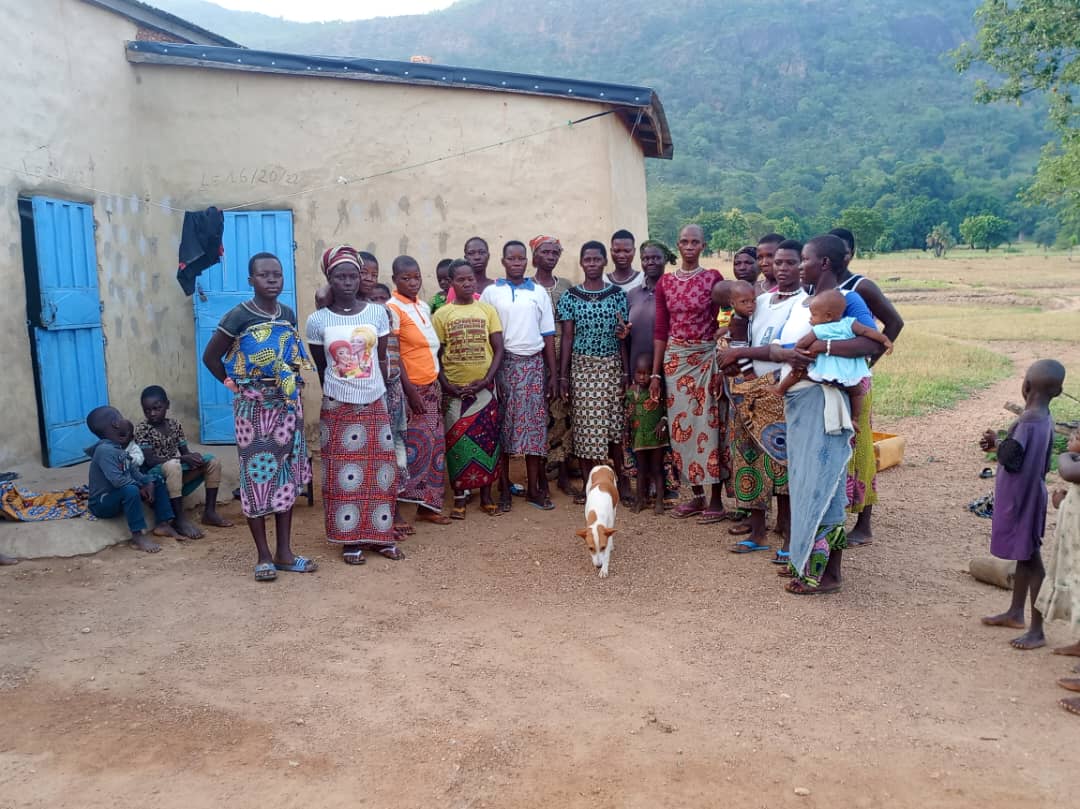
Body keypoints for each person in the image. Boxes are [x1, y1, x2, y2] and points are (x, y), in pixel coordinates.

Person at [772, 235, 884, 593]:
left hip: (824, 403)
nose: (798, 265)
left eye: (804, 259)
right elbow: (786, 347)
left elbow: (870, 342)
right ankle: (806, 559)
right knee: (805, 484)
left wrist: (823, 346)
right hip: (801, 403)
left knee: (826, 484)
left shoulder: (847, 300)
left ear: (823, 263)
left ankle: (829, 573)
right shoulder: (804, 302)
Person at [202, 252, 316, 582]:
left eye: (277, 274)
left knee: (285, 476)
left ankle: (285, 553)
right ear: (251, 280)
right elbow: (211, 357)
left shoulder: (287, 314)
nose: (272, 279)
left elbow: (290, 355)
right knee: (256, 476)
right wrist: (232, 384)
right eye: (264, 275)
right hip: (253, 407)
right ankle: (263, 556)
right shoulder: (239, 315)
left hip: (286, 404)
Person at [307, 245, 403, 564]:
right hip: (338, 406)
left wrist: (373, 390)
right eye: (340, 276)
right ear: (329, 279)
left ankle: (380, 537)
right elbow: (322, 366)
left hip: (374, 401)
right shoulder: (317, 320)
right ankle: (349, 540)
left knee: (381, 472)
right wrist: (337, 393)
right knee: (342, 474)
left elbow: (380, 358)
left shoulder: (377, 313)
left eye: (353, 276)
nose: (348, 282)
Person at [717, 243, 804, 557]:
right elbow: (738, 331)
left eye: (790, 262)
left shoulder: (805, 304)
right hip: (747, 393)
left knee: (782, 464)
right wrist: (731, 355)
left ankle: (790, 535)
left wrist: (738, 353)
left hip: (780, 392)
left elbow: (790, 351)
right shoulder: (760, 300)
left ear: (802, 266)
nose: (781, 268)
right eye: (776, 262)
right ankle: (757, 532)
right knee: (748, 460)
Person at [979, 359, 1066, 649]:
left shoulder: (1028, 421)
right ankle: (1015, 612)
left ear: (1026, 386)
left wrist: (996, 443)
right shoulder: (1044, 417)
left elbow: (1012, 458)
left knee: (1031, 560)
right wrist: (1001, 444)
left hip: (1021, 499)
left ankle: (1037, 630)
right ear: (1058, 391)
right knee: (1025, 555)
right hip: (1031, 493)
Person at [828, 227, 905, 547]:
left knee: (859, 446)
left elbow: (894, 322)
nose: (838, 257)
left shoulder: (859, 286)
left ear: (851, 254)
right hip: (829, 377)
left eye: (844, 251)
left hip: (855, 379)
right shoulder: (819, 287)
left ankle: (864, 523)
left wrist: (869, 361)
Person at [649, 224, 729, 523]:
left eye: (695, 242)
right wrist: (656, 374)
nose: (690, 246)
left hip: (706, 359)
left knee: (711, 426)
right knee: (680, 431)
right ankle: (696, 496)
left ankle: (716, 500)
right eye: (684, 241)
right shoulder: (666, 283)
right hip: (676, 362)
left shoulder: (713, 278)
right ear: (678, 245)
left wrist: (719, 336)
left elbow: (729, 315)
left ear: (703, 246)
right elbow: (661, 329)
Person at [480, 240, 558, 512]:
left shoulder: (538, 292)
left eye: (521, 258)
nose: (516, 263)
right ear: (503, 261)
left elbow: (548, 335)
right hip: (504, 367)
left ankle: (534, 489)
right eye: (511, 258)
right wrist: (491, 374)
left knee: (535, 429)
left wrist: (553, 374)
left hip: (534, 367)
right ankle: (504, 489)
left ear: (528, 261)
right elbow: (487, 334)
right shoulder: (491, 293)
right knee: (503, 427)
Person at [557, 241, 630, 501]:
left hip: (612, 365)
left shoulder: (618, 295)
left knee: (614, 427)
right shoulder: (570, 297)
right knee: (585, 429)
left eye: (596, 259)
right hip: (582, 368)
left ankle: (622, 482)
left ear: (604, 262)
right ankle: (590, 488)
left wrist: (625, 372)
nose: (591, 264)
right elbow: (567, 337)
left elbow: (622, 334)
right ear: (581, 263)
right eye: (587, 259)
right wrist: (563, 376)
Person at [433, 260, 505, 518]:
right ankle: (460, 498)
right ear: (452, 283)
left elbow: (498, 349)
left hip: (484, 390)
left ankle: (486, 496)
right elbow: (436, 354)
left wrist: (486, 381)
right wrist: (446, 385)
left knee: (488, 441)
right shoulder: (441, 315)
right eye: (461, 279)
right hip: (454, 391)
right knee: (457, 445)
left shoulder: (487, 310)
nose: (467, 283)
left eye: (470, 278)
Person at [387, 255, 450, 525]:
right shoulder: (392, 308)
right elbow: (395, 354)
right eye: (406, 278)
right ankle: (398, 510)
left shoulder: (423, 306)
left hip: (431, 387)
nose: (413, 283)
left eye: (416, 277)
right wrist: (411, 392)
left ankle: (428, 507)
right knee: (410, 450)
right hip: (411, 390)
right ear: (395, 280)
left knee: (435, 448)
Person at [770, 289, 893, 423]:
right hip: (846, 372)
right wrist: (885, 339)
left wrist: (798, 351)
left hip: (825, 371)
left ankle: (780, 389)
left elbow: (803, 343)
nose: (810, 318)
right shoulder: (850, 324)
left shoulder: (819, 330)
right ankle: (855, 419)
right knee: (857, 392)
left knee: (796, 374)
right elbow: (867, 331)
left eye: (814, 315)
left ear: (828, 316)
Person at [622, 239, 681, 507]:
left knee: (664, 425)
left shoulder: (672, 289)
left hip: (667, 368)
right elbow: (625, 335)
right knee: (642, 426)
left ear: (665, 259)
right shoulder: (632, 294)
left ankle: (667, 485)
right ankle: (643, 486)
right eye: (646, 258)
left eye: (656, 258)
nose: (651, 262)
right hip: (640, 370)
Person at [135, 385, 232, 539]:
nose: (152, 413)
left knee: (212, 461)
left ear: (167, 405)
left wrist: (194, 458)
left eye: (156, 408)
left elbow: (185, 453)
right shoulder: (142, 429)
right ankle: (179, 520)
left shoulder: (174, 425)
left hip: (174, 470)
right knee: (173, 466)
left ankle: (210, 512)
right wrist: (182, 459)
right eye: (147, 410)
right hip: (156, 476)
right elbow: (151, 460)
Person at [85, 405, 177, 553]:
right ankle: (137, 536)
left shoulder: (117, 447)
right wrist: (140, 487)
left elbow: (132, 470)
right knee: (131, 489)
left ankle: (163, 523)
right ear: (116, 423)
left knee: (155, 480)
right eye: (121, 417)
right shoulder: (104, 451)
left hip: (118, 495)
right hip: (102, 503)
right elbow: (118, 481)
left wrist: (147, 482)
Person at [530, 235, 575, 498]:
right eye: (545, 252)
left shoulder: (566, 285)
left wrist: (562, 370)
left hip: (564, 353)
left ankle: (564, 470)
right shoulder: (528, 286)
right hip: (538, 354)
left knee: (564, 411)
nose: (550, 257)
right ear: (535, 256)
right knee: (542, 411)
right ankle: (544, 470)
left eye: (555, 252)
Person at [1039, 431, 1080, 716]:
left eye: (1077, 435)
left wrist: (1068, 454)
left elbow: (1068, 470)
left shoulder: (1071, 460)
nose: (1072, 437)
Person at [367, 281, 411, 535]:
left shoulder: (390, 319)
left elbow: (397, 358)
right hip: (373, 393)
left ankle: (395, 508)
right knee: (377, 451)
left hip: (393, 391)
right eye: (373, 299)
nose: (379, 304)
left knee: (396, 447)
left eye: (382, 298)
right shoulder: (363, 325)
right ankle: (381, 511)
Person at [625, 354, 668, 515]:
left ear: (653, 374)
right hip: (639, 437)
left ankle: (659, 501)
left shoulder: (657, 390)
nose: (642, 377)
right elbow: (628, 412)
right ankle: (640, 500)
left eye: (646, 373)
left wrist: (663, 422)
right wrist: (626, 430)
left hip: (656, 437)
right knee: (641, 469)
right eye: (639, 373)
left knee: (657, 468)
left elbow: (667, 409)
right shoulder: (632, 392)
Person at [717, 280, 757, 379]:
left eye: (753, 301)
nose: (750, 305)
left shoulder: (744, 317)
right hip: (740, 369)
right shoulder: (739, 324)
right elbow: (738, 351)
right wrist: (748, 373)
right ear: (732, 303)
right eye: (744, 302)